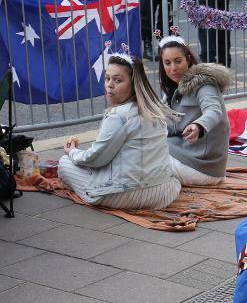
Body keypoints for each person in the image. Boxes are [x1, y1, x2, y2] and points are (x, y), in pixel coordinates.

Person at [58, 52, 181, 209]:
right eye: (107, 78)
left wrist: (73, 151)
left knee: (64, 163)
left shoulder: (119, 115)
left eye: (118, 80)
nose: (110, 85)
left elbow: (95, 159)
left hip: (128, 195)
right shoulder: (154, 109)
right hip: (164, 192)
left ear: (134, 83)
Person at [158, 34, 232, 185]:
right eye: (167, 63)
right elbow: (168, 127)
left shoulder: (204, 84)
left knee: (141, 158)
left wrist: (199, 126)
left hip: (203, 167)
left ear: (189, 59)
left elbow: (214, 111)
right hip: (184, 153)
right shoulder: (170, 90)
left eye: (178, 61)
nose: (173, 68)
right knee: (138, 147)